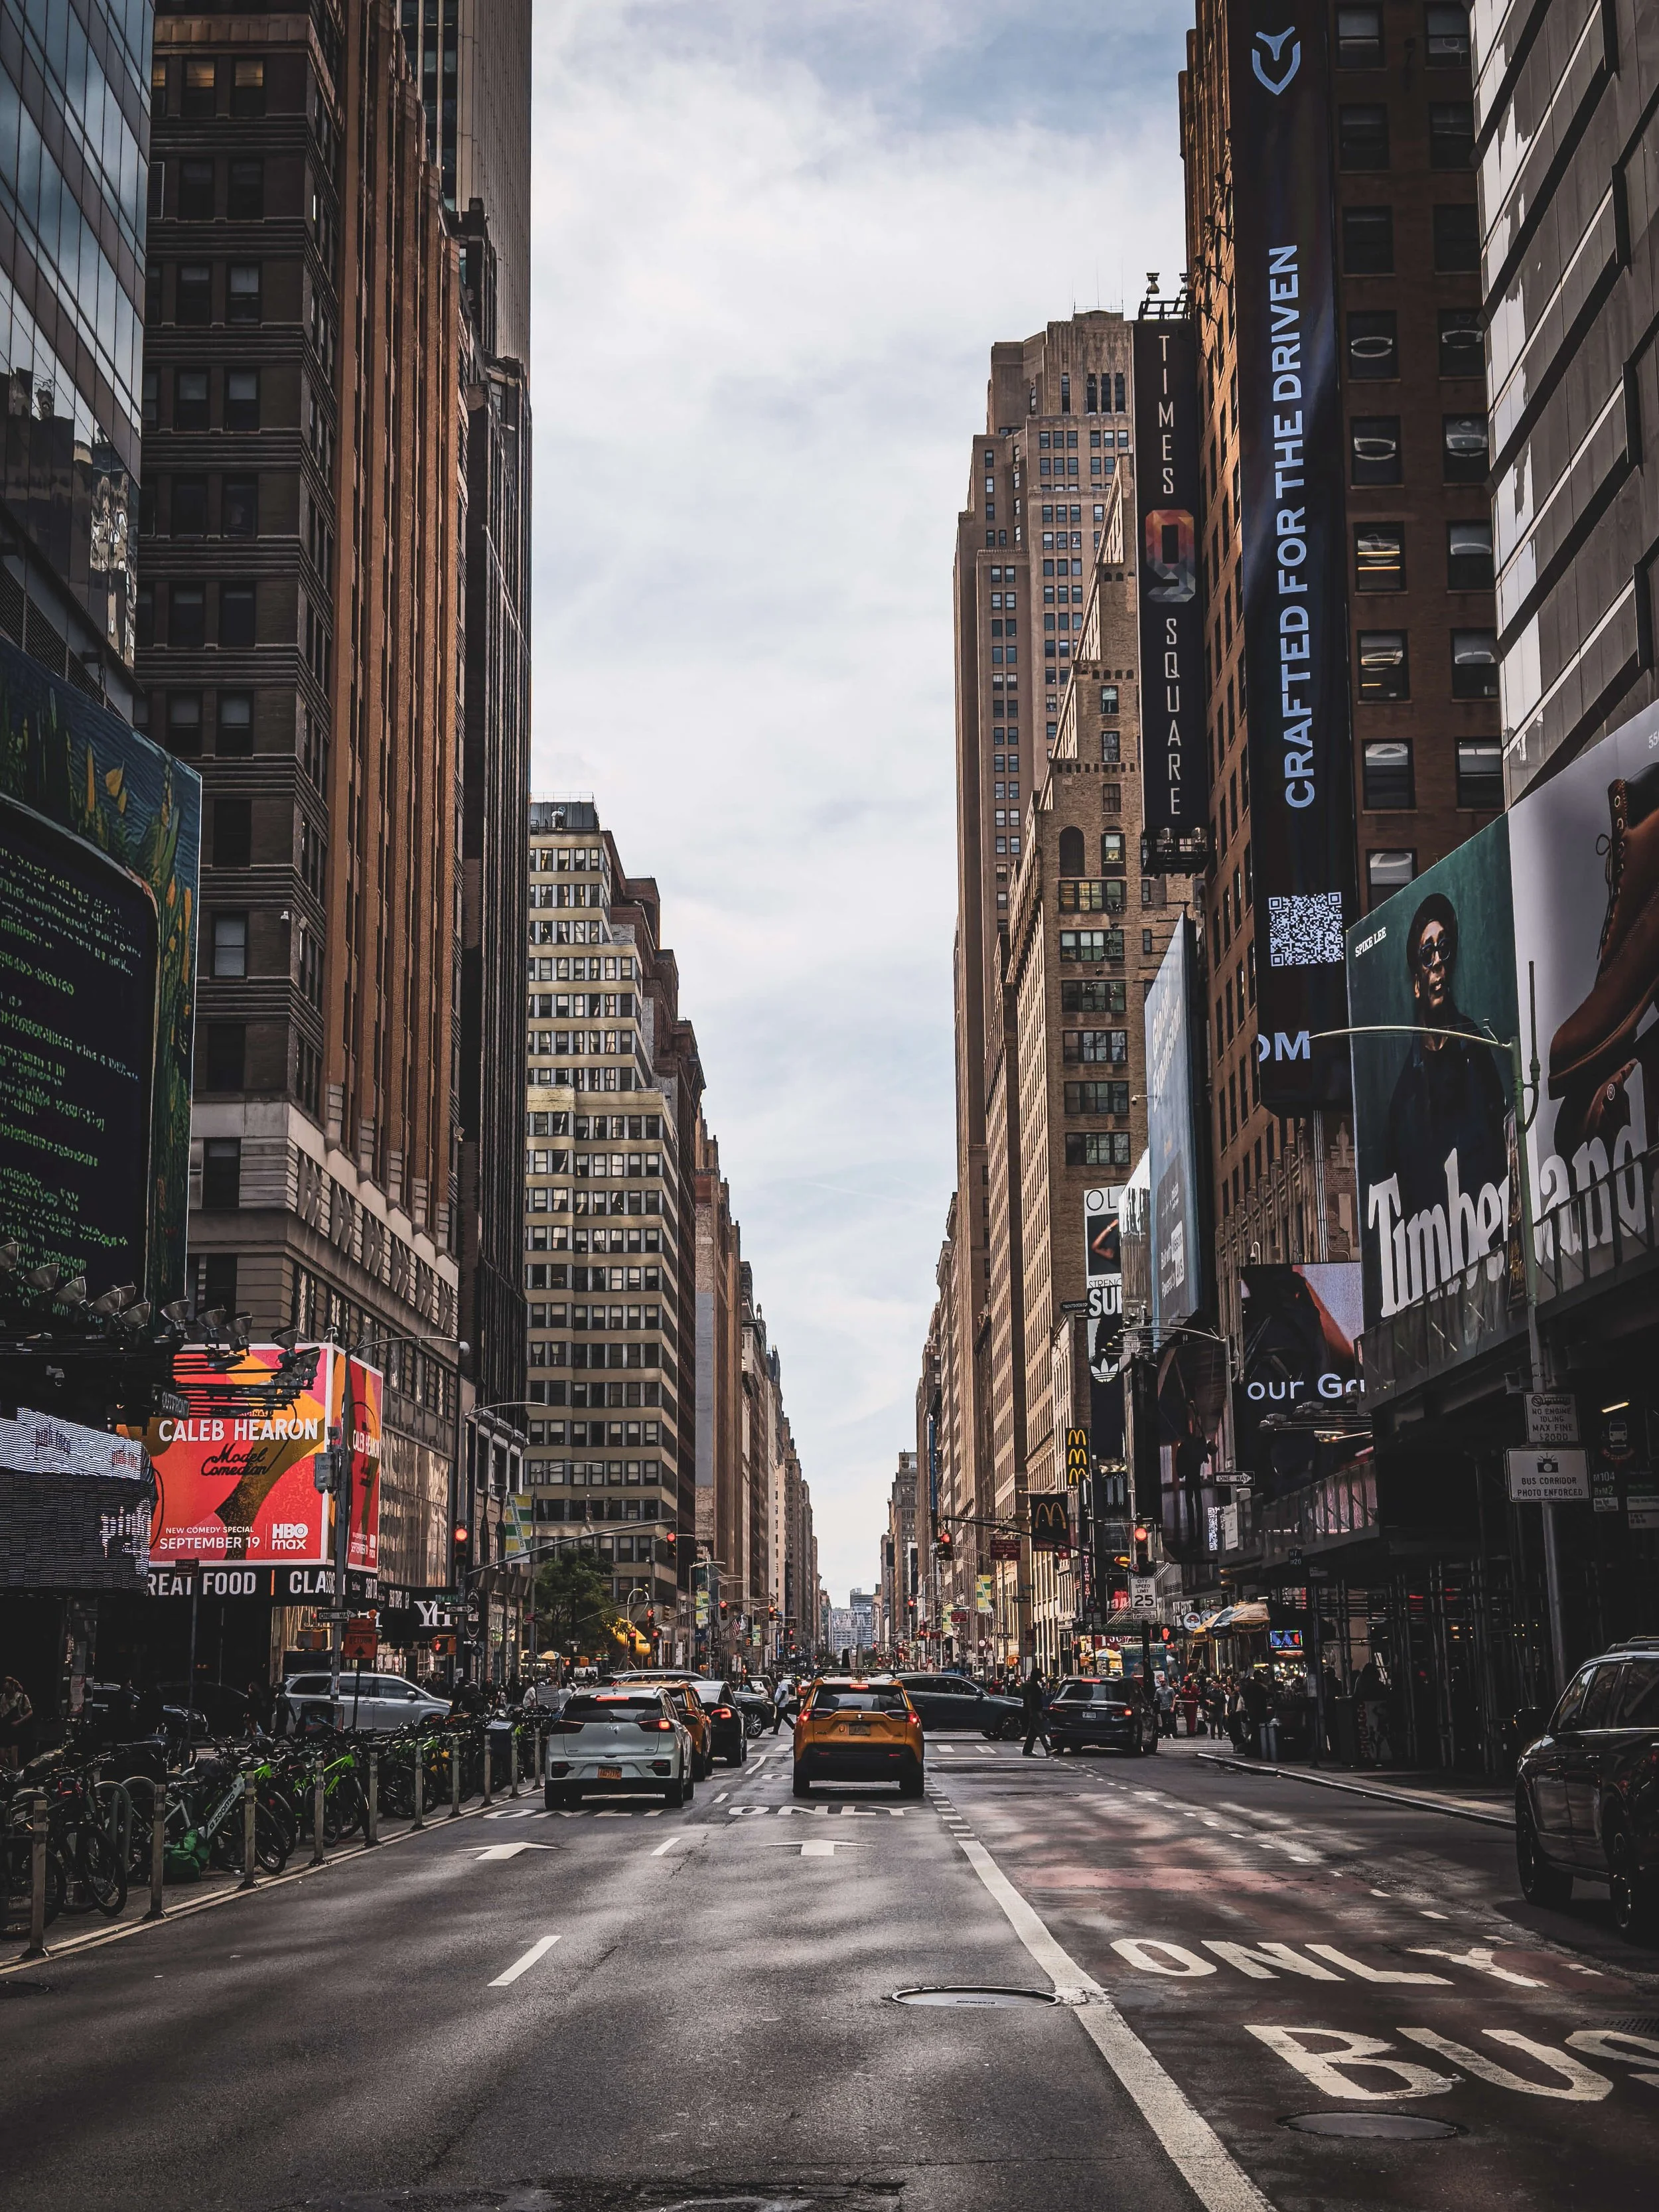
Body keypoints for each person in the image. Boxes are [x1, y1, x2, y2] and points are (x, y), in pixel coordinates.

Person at [0, 1675, 33, 1769]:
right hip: (4, 1727)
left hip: (15, 1728)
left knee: (14, 1756)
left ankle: (13, 1776)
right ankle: (8, 1772)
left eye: (7, 1687)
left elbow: (30, 1712)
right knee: (2, 1757)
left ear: (12, 1687)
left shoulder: (21, 1697)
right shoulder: (2, 1697)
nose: (5, 1690)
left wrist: (19, 1722)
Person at [1021, 1664, 1048, 1755]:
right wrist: (1032, 1712)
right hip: (1035, 1710)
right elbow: (1029, 1699)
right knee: (1040, 1730)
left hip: (1035, 1710)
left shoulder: (1034, 1685)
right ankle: (1048, 1748)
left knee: (1032, 1733)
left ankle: (1027, 1750)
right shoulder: (1032, 1686)